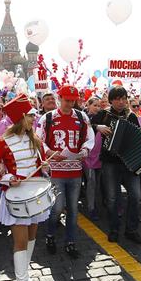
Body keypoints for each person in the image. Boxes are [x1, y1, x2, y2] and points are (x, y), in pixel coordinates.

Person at [0, 94, 49, 281]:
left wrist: (46, 167)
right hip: (15, 197)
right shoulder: (1, 142)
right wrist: (6, 178)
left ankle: (26, 273)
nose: (34, 119)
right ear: (20, 117)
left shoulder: (35, 139)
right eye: (30, 115)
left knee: (32, 236)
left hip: (35, 194)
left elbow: (40, 165)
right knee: (20, 241)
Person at [90, 86, 141, 244]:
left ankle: (131, 229)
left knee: (136, 196)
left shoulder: (131, 116)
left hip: (129, 162)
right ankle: (114, 229)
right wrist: (98, 127)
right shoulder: (103, 114)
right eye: (118, 99)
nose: (121, 102)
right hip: (110, 162)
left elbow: (138, 137)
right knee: (112, 198)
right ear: (111, 100)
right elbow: (88, 123)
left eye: (124, 99)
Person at [38, 85, 94, 259]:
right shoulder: (47, 118)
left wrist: (84, 151)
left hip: (75, 170)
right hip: (56, 171)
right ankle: (50, 235)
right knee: (57, 208)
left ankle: (71, 241)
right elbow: (39, 140)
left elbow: (89, 137)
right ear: (59, 98)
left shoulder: (81, 116)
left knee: (73, 209)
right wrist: (49, 153)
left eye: (73, 100)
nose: (70, 103)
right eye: (67, 100)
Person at [82, 96, 104, 219]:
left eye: (98, 105)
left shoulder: (103, 117)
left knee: (98, 183)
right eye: (94, 105)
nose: (97, 108)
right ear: (88, 105)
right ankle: (91, 208)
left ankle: (96, 204)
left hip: (100, 156)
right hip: (88, 156)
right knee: (91, 181)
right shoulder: (83, 117)